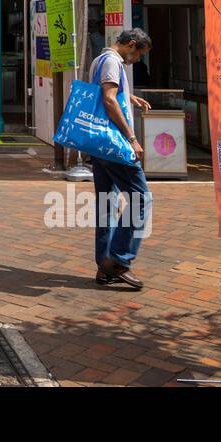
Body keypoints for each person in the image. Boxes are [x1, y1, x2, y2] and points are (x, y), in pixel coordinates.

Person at [89, 28, 154, 291]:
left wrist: (129, 96)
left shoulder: (100, 59)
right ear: (130, 44)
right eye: (138, 54)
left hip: (99, 144)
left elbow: (111, 93)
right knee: (141, 198)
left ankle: (105, 266)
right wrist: (131, 138)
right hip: (115, 144)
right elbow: (107, 98)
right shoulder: (113, 62)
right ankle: (118, 261)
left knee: (107, 203)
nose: (136, 60)